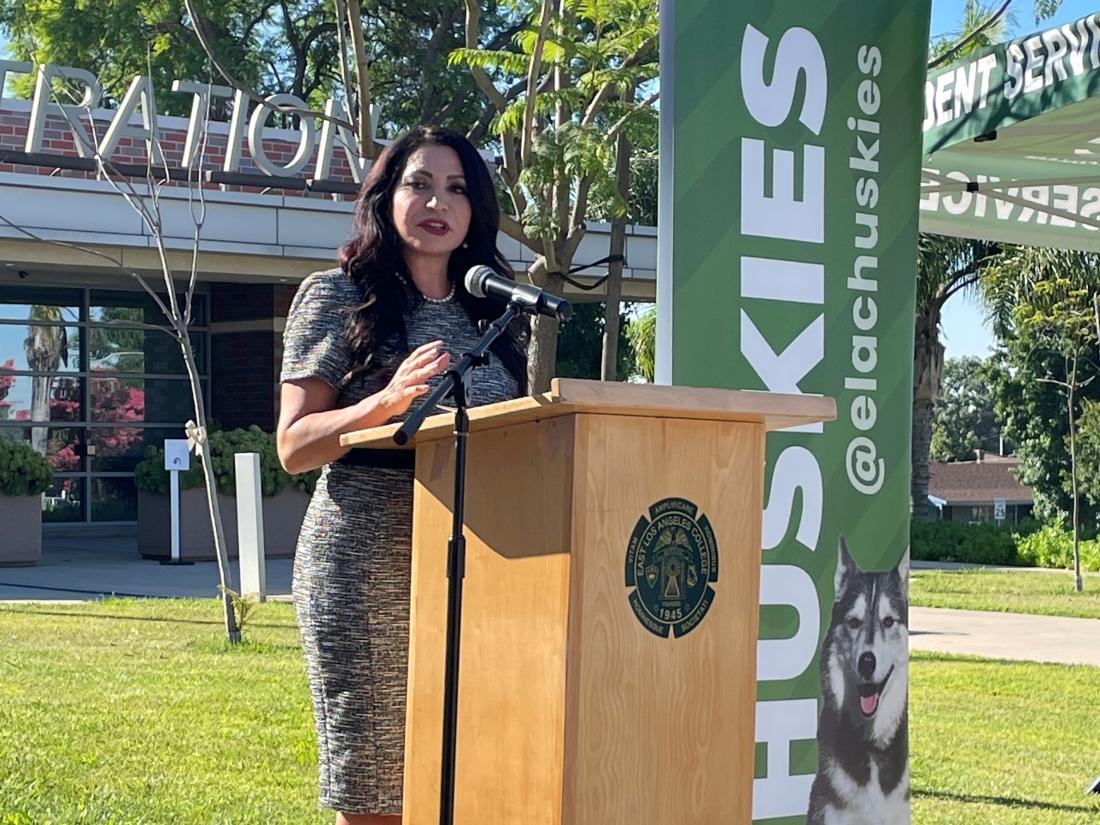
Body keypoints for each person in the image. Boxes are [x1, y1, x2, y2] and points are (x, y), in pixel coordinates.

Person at [276, 125, 527, 825]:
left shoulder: (497, 313)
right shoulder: (337, 296)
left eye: (456, 188)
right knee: (380, 790)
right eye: (418, 183)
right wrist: (381, 406)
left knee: (468, 782)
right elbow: (294, 444)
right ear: (387, 197)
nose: (436, 202)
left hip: (480, 569)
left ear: (476, 210)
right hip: (366, 566)